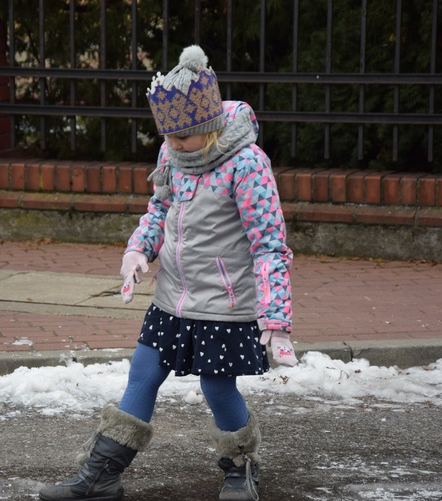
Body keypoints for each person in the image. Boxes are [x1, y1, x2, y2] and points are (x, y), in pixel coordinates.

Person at [39, 46, 298, 501]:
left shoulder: (247, 163)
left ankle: (242, 468)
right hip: (173, 296)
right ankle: (101, 476)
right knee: (143, 371)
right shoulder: (173, 156)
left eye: (182, 137)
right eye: (168, 136)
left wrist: (275, 316)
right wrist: (139, 249)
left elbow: (270, 244)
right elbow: (159, 209)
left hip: (225, 302)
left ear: (209, 126)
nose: (172, 145)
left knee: (217, 385)